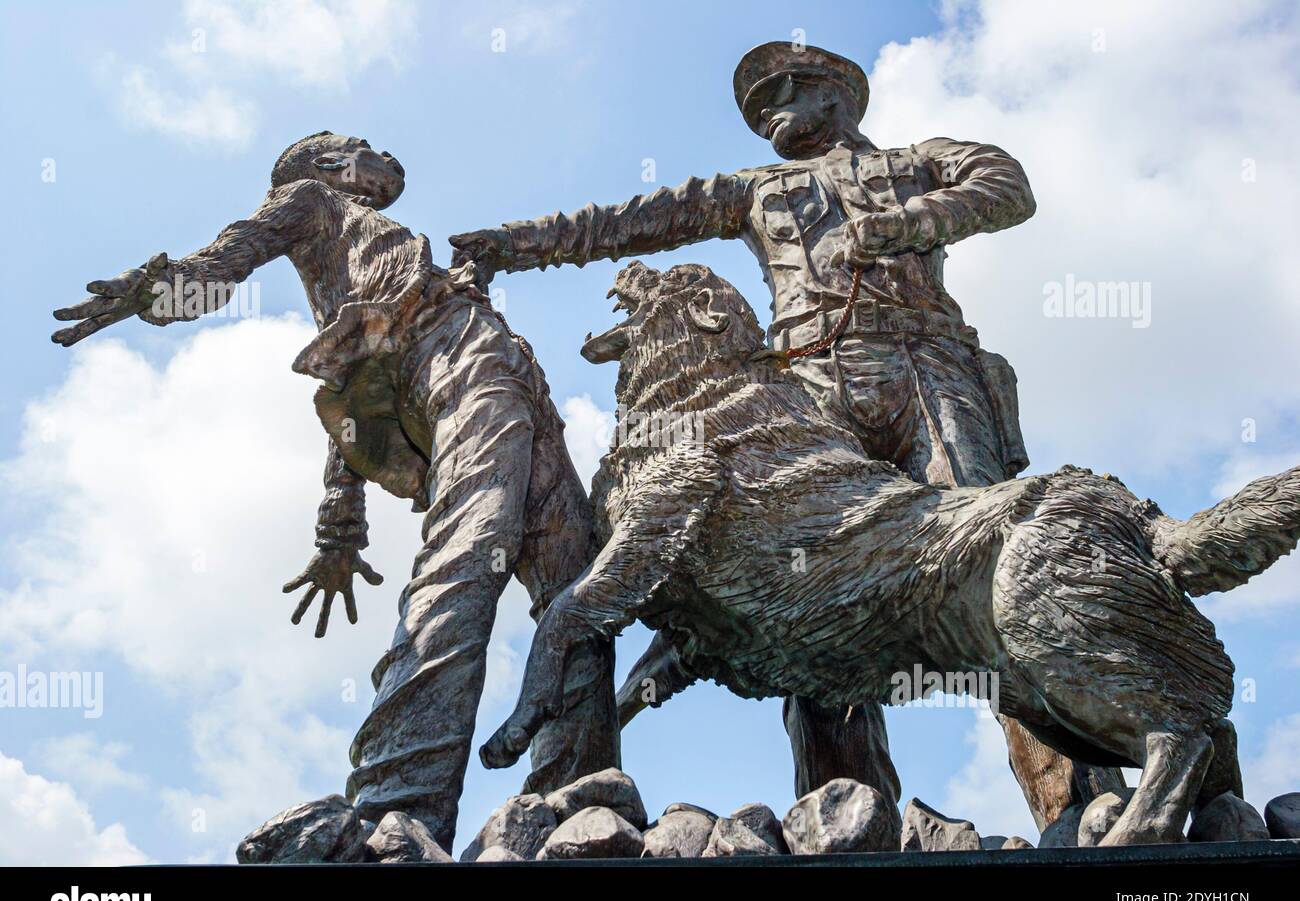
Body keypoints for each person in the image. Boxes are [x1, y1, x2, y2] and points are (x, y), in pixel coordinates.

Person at [450, 43, 1121, 828]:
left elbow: (1007, 186)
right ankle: (845, 817)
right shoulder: (752, 190)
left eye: (784, 89)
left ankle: (1085, 803)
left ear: (837, 94)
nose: (767, 107)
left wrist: (909, 221)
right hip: (811, 389)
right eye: (758, 98)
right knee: (812, 584)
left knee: (996, 563)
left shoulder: (923, 159)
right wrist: (508, 244)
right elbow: (625, 224)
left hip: (928, 371)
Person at [52, 132, 620, 851]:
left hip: (504, 371)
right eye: (365, 147)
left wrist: (340, 525)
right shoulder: (308, 199)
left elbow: (351, 391)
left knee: (581, 589)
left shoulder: (352, 265)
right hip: (454, 360)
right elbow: (227, 261)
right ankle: (398, 808)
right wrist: (155, 294)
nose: (387, 155)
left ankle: (579, 801)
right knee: (471, 552)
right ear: (328, 167)